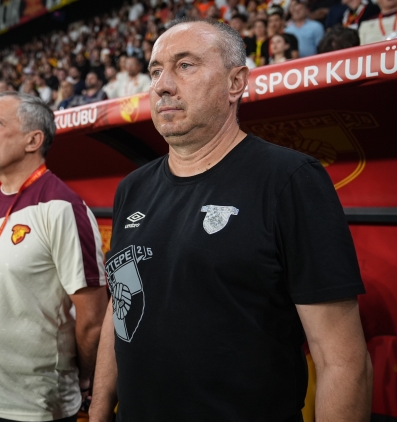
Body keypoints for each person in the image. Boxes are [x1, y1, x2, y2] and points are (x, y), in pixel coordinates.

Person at [89, 17, 372, 422]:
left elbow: (341, 361)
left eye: (185, 66)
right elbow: (119, 309)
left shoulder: (290, 180)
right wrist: (100, 411)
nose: (163, 85)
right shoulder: (131, 188)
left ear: (235, 82)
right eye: (155, 71)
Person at [0, 92, 108, 422]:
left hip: (34, 406)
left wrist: (83, 377)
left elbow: (93, 318)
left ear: (33, 140)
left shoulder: (62, 209)